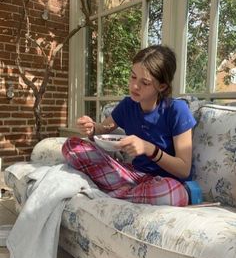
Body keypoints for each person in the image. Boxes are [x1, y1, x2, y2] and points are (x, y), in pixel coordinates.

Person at [62, 45, 196, 206]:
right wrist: (91, 128)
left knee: (172, 192)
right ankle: (124, 194)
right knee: (72, 145)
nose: (134, 86)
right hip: (133, 176)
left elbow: (184, 169)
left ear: (162, 86)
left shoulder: (176, 110)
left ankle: (108, 195)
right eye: (133, 77)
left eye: (144, 82)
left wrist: (150, 150)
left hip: (166, 183)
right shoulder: (128, 105)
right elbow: (103, 129)